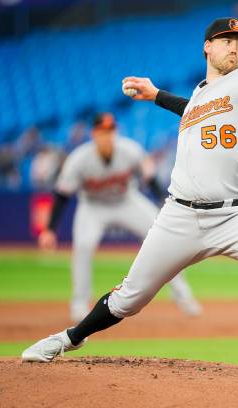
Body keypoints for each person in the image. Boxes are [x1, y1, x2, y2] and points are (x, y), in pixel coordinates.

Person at [22, 17, 238, 394]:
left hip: (237, 214)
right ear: (207, 46)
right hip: (179, 216)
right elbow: (194, 109)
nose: (236, 48)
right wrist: (157, 94)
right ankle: (69, 338)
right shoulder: (201, 95)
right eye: (228, 40)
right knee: (129, 299)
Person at [37, 112, 202, 321]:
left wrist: (163, 203)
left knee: (163, 238)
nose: (107, 135)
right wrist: (50, 229)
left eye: (111, 131)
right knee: (84, 245)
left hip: (127, 200)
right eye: (103, 131)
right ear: (94, 134)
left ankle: (183, 295)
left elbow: (150, 178)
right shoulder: (79, 159)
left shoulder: (130, 150)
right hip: (93, 206)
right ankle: (79, 303)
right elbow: (62, 195)